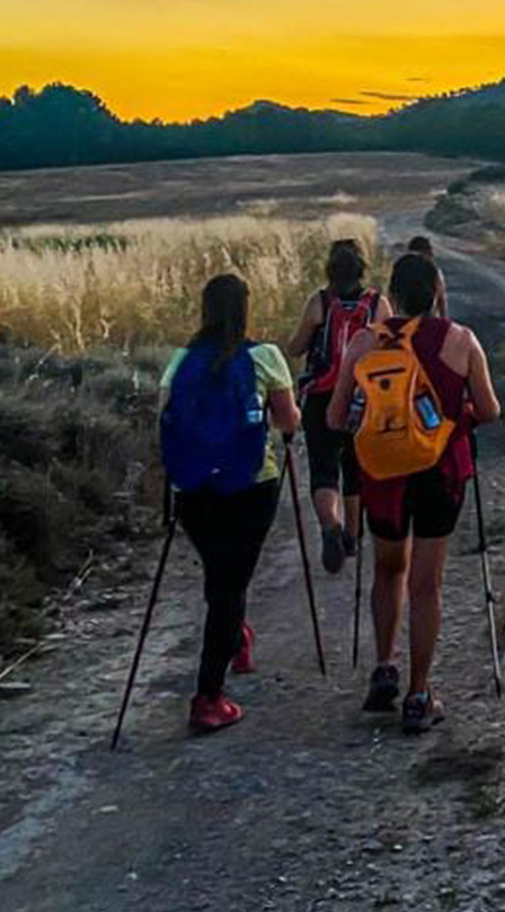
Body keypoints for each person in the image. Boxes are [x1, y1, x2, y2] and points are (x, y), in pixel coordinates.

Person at [328, 252, 500, 733]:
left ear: (395, 295)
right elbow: (490, 411)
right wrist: (452, 419)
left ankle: (384, 667)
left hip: (382, 478)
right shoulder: (461, 341)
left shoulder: (365, 342)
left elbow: (335, 418)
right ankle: (419, 694)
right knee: (427, 584)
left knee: (387, 571)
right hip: (439, 474)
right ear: (437, 291)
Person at [158, 274, 301, 733]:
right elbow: (287, 420)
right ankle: (208, 696)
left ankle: (234, 636)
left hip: (192, 489)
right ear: (244, 309)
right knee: (229, 585)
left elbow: (163, 419)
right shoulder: (264, 357)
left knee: (220, 574)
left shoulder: (180, 361)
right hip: (250, 485)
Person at [286, 239, 389, 574]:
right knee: (355, 471)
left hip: (321, 397)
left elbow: (297, 347)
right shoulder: (377, 304)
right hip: (363, 398)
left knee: (323, 469)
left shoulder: (319, 302)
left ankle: (330, 526)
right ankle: (353, 538)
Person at [406, 235, 449, 319]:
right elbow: (441, 300)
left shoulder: (403, 270)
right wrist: (444, 322)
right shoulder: (433, 271)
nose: (432, 255)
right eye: (430, 252)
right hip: (429, 321)